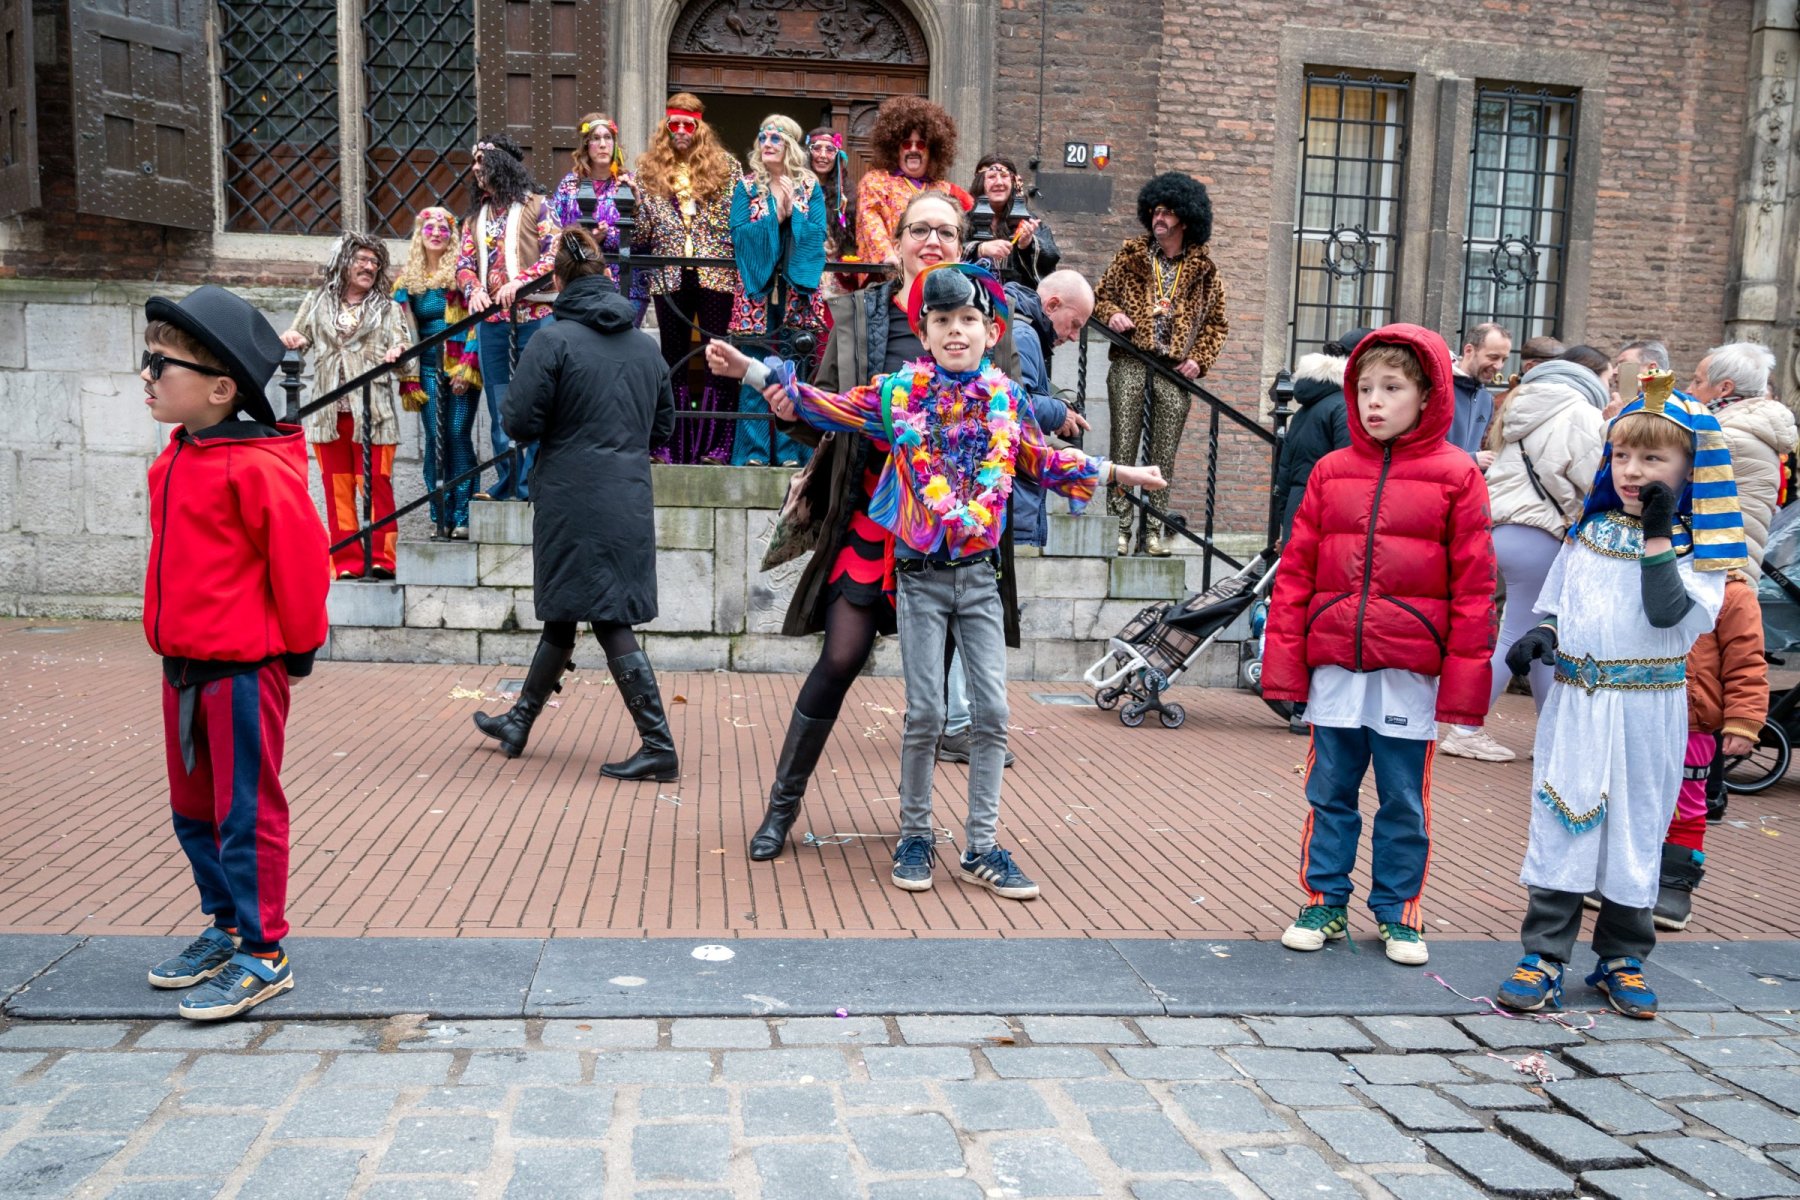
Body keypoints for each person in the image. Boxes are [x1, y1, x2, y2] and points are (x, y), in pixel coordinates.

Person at [725, 263, 1167, 901]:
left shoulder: (1006, 401)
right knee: (927, 713)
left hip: (979, 580)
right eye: (941, 321)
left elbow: (1042, 459)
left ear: (991, 333)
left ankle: (981, 845)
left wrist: (1116, 473)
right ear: (925, 333)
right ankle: (915, 836)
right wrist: (755, 372)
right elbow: (826, 406)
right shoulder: (896, 396)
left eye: (967, 320)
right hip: (919, 578)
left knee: (993, 712)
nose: (955, 331)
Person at [705, 190, 1022, 865]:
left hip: (951, 536)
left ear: (961, 244)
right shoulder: (856, 315)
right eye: (919, 230)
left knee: (934, 689)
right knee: (841, 656)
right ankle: (781, 808)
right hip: (872, 512)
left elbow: (1015, 412)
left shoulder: (987, 318)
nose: (932, 241)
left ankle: (922, 833)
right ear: (897, 242)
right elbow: (818, 408)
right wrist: (782, 400)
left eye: (946, 232)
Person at [1494, 373, 1742, 1018]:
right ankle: (1544, 954)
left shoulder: (1699, 550)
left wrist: (1659, 534)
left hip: (1645, 710)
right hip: (1578, 704)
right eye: (1623, 454)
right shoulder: (1590, 532)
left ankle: (1623, 957)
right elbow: (1563, 602)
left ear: (1690, 468)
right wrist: (1544, 635)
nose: (1632, 471)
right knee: (1564, 818)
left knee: (1634, 825)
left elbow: (1667, 613)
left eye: (1653, 458)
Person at [1261, 324, 1497, 968]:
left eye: (1392, 388)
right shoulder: (1332, 471)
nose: (1374, 401)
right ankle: (1324, 900)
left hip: (1409, 670)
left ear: (1427, 395)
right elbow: (1297, 574)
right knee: (1329, 793)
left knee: (1403, 801)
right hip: (1337, 663)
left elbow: (1474, 587)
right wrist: (1285, 667)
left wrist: (1463, 689)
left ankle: (1398, 909)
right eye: (1365, 387)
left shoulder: (1457, 475)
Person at [140, 285, 329, 1020]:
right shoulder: (175, 458)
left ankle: (264, 950)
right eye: (147, 358)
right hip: (183, 669)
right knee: (193, 810)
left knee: (246, 813)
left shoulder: (256, 469)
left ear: (221, 389)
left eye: (163, 363)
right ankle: (224, 926)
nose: (148, 374)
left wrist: (300, 649)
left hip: (243, 673)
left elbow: (301, 566)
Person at [472, 227, 679, 782]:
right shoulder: (646, 346)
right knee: (565, 613)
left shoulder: (554, 340)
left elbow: (518, 421)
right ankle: (519, 722)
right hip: (627, 493)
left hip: (570, 492)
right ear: (606, 276)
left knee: (608, 617)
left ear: (559, 281)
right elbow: (663, 428)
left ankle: (659, 745)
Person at [938, 269, 1096, 766]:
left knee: (965, 614)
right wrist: (1058, 413)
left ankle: (949, 717)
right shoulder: (1025, 335)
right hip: (986, 500)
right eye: (1074, 324)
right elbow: (1013, 402)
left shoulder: (1021, 329)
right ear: (1052, 305)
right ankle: (956, 722)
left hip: (980, 495)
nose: (1073, 336)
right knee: (972, 616)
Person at [1439, 358, 1607, 763]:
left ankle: (1552, 733)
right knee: (1518, 634)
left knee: (1539, 637)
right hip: (1540, 533)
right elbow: (1595, 479)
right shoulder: (1580, 413)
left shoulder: (1519, 407)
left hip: (1503, 529)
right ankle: (1466, 729)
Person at [1093, 172, 1230, 556]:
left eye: (1167, 212)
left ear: (1185, 219)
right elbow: (1099, 297)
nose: (1159, 218)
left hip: (1173, 369)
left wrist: (1199, 360)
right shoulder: (1131, 256)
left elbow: (1217, 323)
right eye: (1155, 211)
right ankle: (1119, 529)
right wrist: (1112, 313)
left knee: (1163, 453)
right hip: (1131, 359)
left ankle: (1152, 531)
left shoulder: (1205, 270)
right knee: (1123, 445)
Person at [282, 233, 410, 579]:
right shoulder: (317, 301)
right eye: (362, 260)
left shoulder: (388, 308)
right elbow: (297, 340)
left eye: (375, 262)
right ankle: (346, 562)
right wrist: (293, 338)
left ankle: (382, 559)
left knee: (376, 485)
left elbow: (407, 357)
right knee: (337, 489)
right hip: (329, 417)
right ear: (343, 262)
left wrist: (398, 353)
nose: (369, 267)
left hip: (374, 413)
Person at [635, 93, 740, 464]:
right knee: (673, 359)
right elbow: (642, 233)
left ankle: (716, 447)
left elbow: (735, 219)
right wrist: (635, 204)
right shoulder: (647, 170)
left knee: (718, 356)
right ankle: (668, 445)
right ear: (666, 127)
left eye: (688, 124)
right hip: (669, 275)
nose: (681, 131)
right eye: (674, 124)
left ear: (700, 128)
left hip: (717, 274)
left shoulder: (727, 166)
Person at [1658, 569, 1766, 930]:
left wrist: (1743, 720)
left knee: (1687, 806)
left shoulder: (1731, 594)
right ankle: (1622, 875)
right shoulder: (1645, 576)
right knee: (1629, 797)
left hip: (1694, 722)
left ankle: (1675, 883)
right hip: (1640, 715)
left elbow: (1746, 662)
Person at [457, 133, 559, 501]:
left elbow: (554, 255)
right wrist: (474, 289)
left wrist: (519, 282)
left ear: (501, 165)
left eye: (481, 162)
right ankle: (508, 481)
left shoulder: (538, 206)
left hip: (536, 318)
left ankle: (533, 481)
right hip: (493, 324)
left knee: (536, 398)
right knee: (499, 403)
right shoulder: (475, 218)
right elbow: (464, 264)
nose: (475, 169)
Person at [728, 115, 828, 468]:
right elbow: (739, 234)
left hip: (796, 292)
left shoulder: (809, 187)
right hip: (757, 290)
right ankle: (753, 453)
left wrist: (793, 216)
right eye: (763, 137)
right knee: (753, 368)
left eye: (775, 138)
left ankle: (791, 452)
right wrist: (777, 219)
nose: (767, 143)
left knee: (793, 369)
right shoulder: (746, 186)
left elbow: (817, 234)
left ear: (790, 146)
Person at [394, 207, 483, 540]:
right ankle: (441, 514)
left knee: (457, 433)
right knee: (435, 438)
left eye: (442, 228)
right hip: (427, 368)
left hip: (459, 365)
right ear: (420, 234)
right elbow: (402, 327)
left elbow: (476, 323)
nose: (435, 233)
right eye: (429, 228)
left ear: (452, 235)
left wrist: (467, 367)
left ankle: (464, 515)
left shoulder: (462, 276)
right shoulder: (408, 281)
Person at [1691, 342, 1797, 576]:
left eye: (1697, 382)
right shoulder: (1743, 428)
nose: (1689, 390)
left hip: (1721, 574)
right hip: (1730, 569)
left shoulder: (1725, 436)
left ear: (1725, 388)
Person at [550, 112, 648, 323]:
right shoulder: (570, 185)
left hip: (625, 283)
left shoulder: (629, 183)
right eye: (596, 138)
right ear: (586, 145)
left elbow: (644, 239)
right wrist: (588, 238)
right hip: (580, 280)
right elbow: (555, 232)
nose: (603, 144)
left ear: (615, 144)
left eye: (607, 137)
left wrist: (637, 206)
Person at [1272, 326, 1367, 543]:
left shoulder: (1308, 407)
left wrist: (1288, 524)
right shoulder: (1345, 407)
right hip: (1324, 521)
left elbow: (1284, 473)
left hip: (1299, 513)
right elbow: (1349, 474)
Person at [855, 96, 973, 267]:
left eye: (921, 145)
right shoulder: (876, 182)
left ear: (932, 150)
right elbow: (870, 221)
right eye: (906, 144)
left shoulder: (943, 188)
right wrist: (888, 256)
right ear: (895, 149)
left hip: (933, 269)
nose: (913, 149)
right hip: (891, 270)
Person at [962, 153, 1060, 290]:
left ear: (1013, 182)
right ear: (980, 182)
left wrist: (1028, 244)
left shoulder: (1027, 221)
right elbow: (947, 251)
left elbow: (1051, 257)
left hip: (1017, 297)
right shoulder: (963, 220)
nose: (999, 182)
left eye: (1004, 176)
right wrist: (980, 249)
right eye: (991, 177)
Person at [1450, 322, 1511, 465]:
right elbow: (1421, 452)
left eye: (1504, 359)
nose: (1499, 366)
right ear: (1469, 351)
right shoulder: (1437, 389)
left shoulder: (1486, 399)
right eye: (1493, 357)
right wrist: (1472, 459)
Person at [1608, 339, 1670, 418]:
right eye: (1616, 365)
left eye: (1623, 364)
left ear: (1652, 370)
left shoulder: (1668, 409)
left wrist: (1617, 417)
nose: (1614, 371)